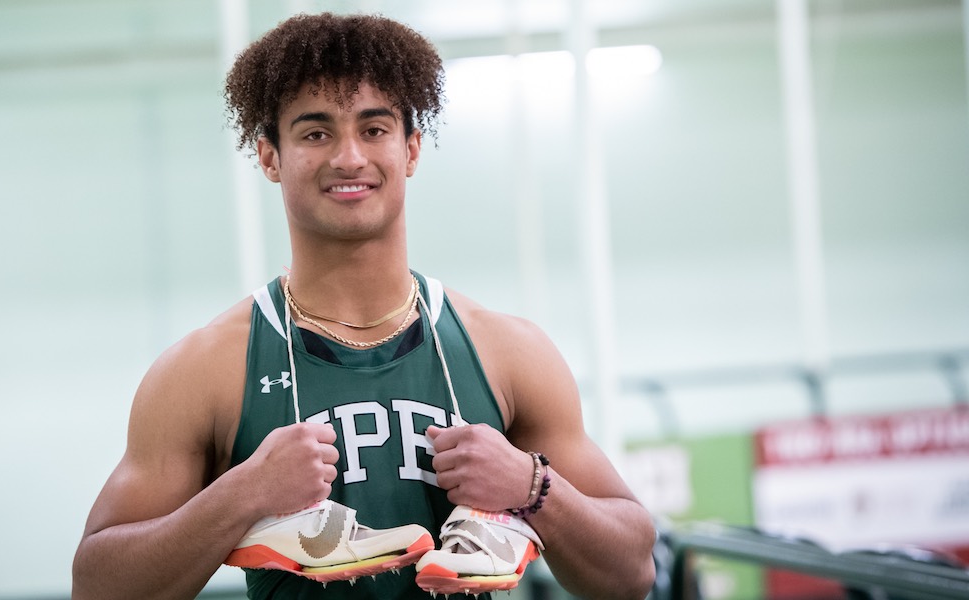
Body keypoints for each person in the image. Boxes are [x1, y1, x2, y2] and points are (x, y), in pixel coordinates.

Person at [71, 12, 656, 600]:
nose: (349, 157)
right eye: (316, 132)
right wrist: (241, 494)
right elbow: (97, 586)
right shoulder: (206, 368)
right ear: (270, 156)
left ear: (412, 149)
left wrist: (532, 486)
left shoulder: (507, 350)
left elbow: (632, 573)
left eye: (374, 129)